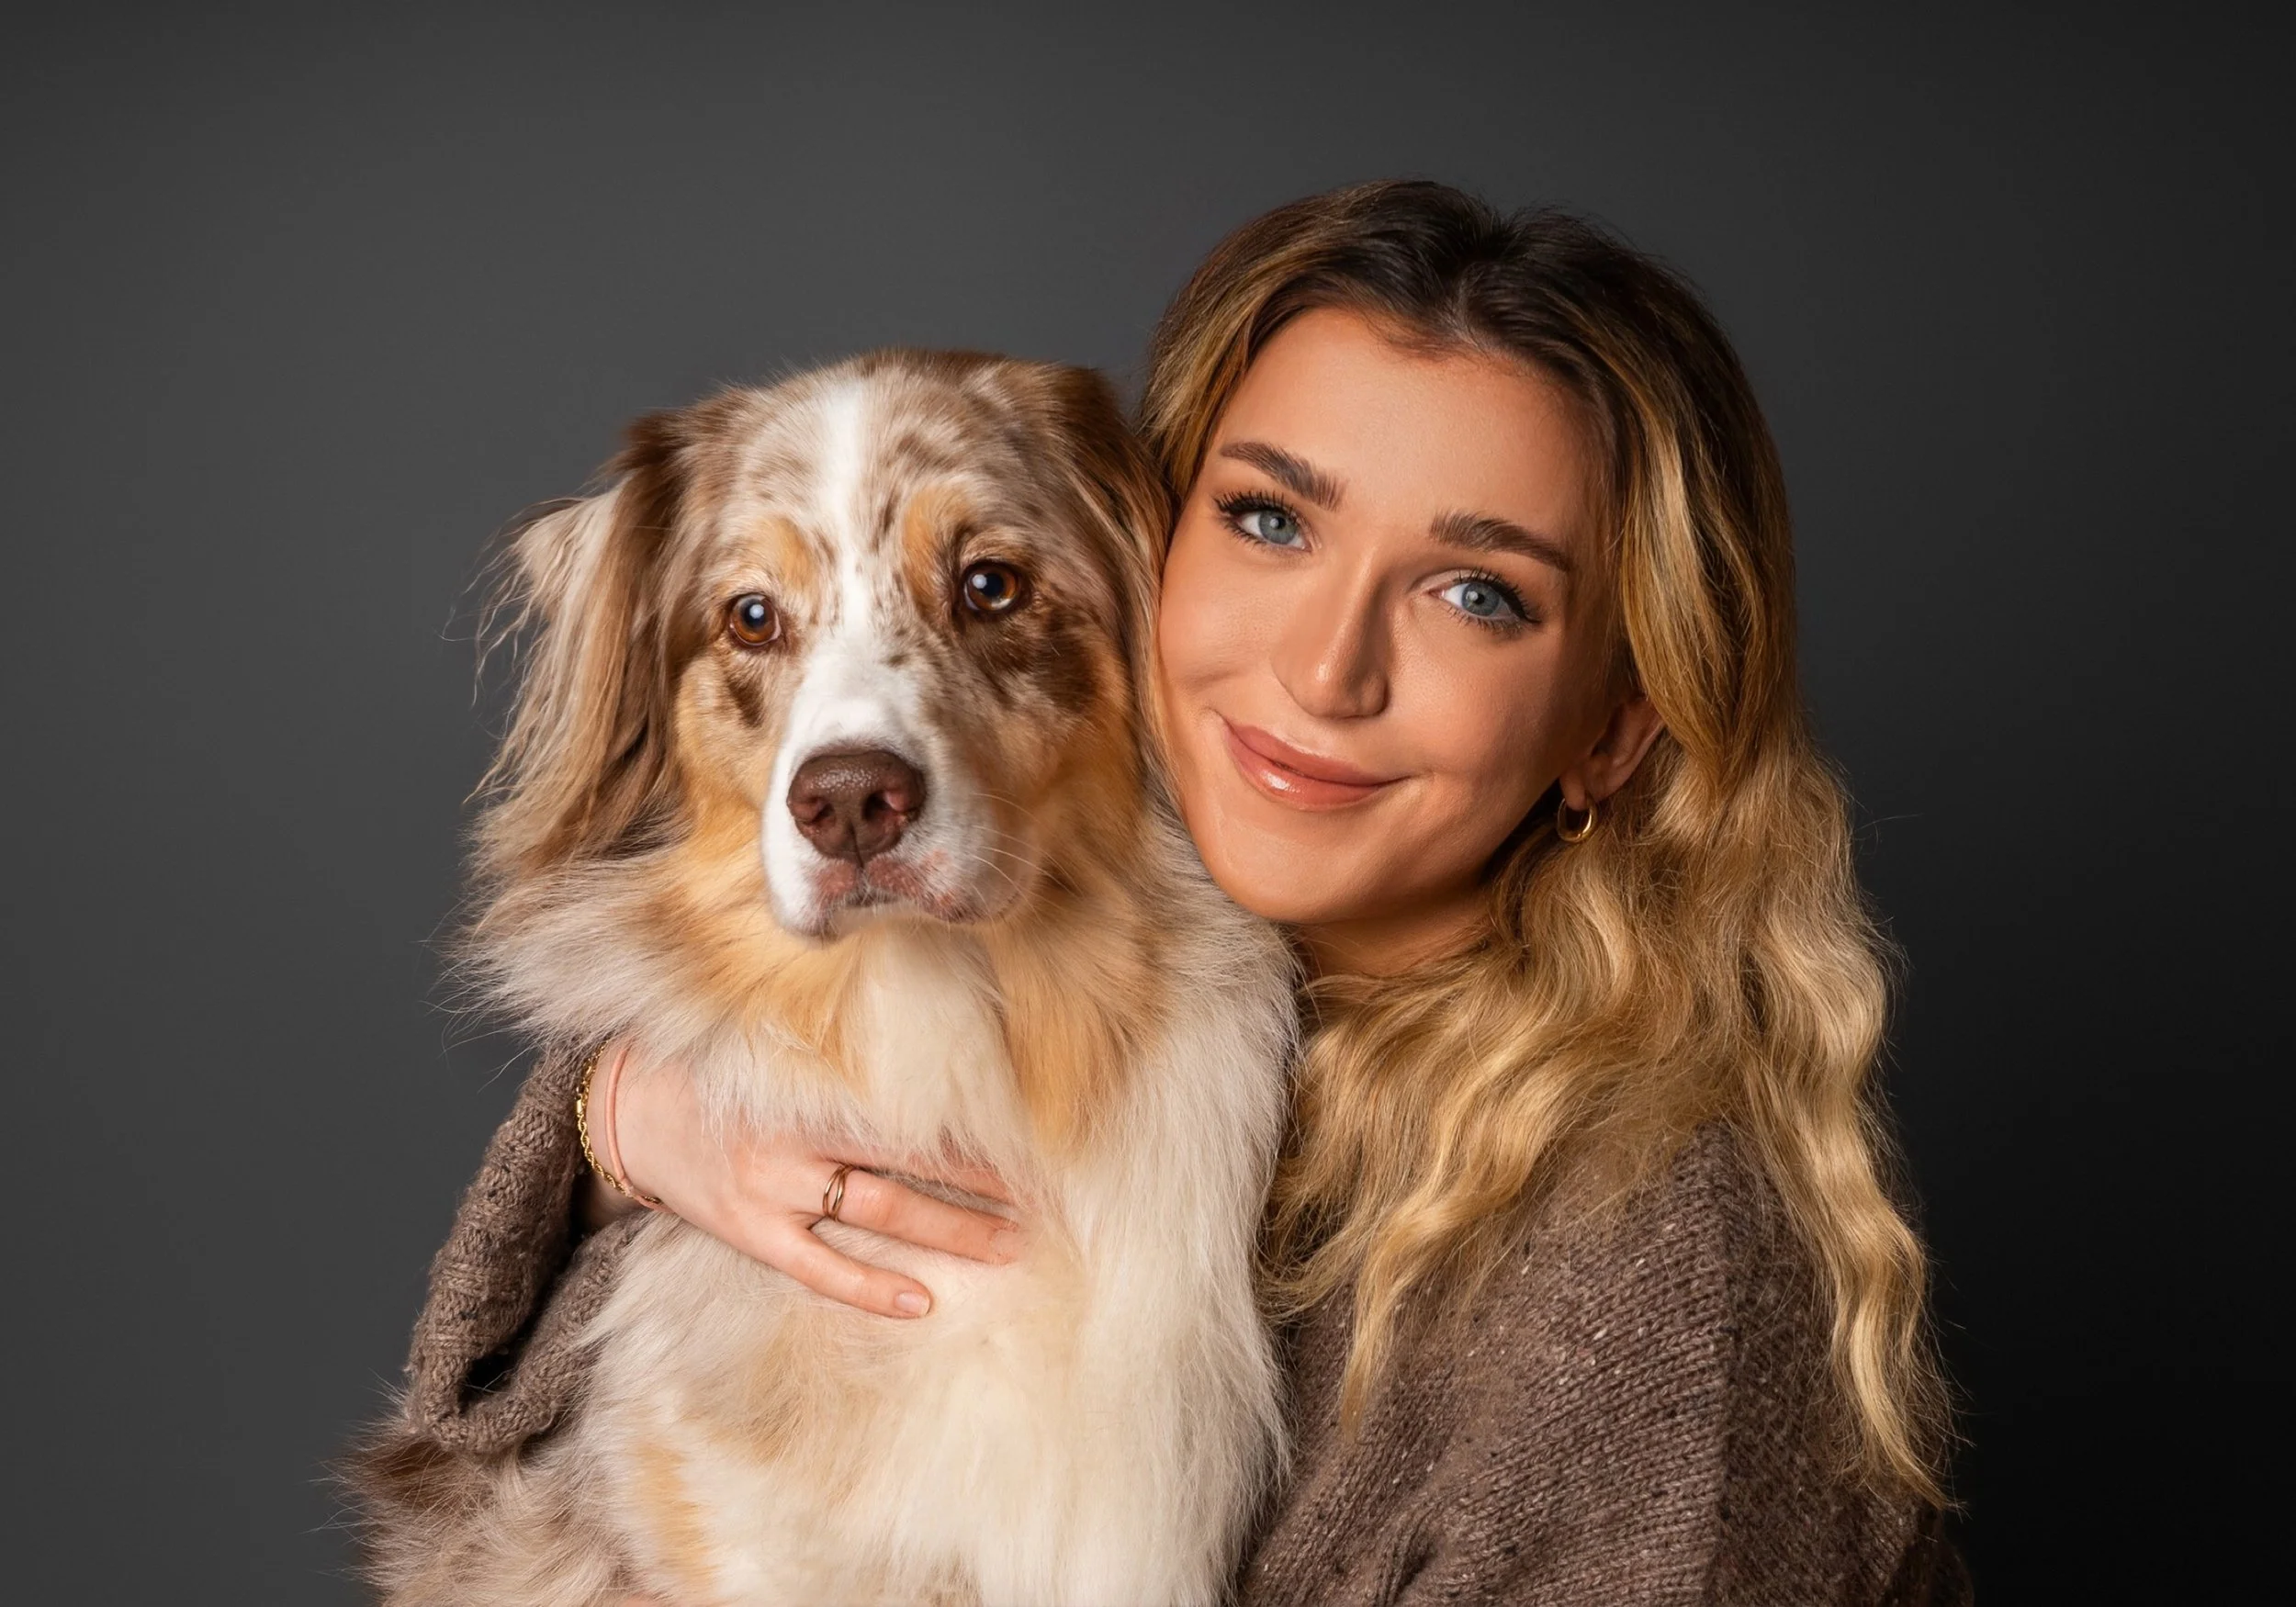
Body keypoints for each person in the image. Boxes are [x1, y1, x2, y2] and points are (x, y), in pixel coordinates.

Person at [375, 180, 1966, 1603]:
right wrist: (623, 1121)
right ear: (1151, 545)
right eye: (1270, 519)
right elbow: (478, 1438)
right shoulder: (1099, 1017)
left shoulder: (1647, 1298)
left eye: (1478, 592)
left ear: (1617, 725)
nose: (1321, 669)